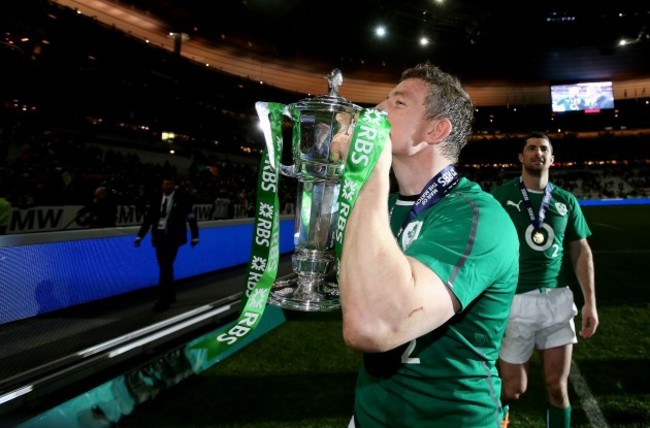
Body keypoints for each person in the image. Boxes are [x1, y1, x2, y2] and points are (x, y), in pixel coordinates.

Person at [331, 62, 521, 427]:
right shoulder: (380, 206)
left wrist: (367, 172)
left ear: (435, 130)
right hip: (370, 415)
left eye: (398, 103)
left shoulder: (478, 217)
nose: (377, 111)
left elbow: (373, 326)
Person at [490, 132, 599, 428]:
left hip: (558, 300)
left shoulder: (565, 201)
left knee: (557, 386)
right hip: (515, 301)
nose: (538, 152)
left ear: (552, 159)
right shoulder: (501, 197)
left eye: (544, 149)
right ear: (521, 157)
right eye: (531, 148)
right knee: (513, 389)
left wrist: (590, 302)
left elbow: (581, 251)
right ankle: (497, 416)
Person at [134, 176, 199, 312]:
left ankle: (163, 301)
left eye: (170, 184)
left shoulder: (182, 199)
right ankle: (170, 295)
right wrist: (140, 235)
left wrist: (195, 236)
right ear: (162, 186)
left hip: (173, 238)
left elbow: (191, 217)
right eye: (165, 184)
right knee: (166, 267)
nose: (167, 186)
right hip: (159, 238)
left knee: (165, 267)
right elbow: (149, 219)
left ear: (173, 186)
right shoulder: (157, 199)